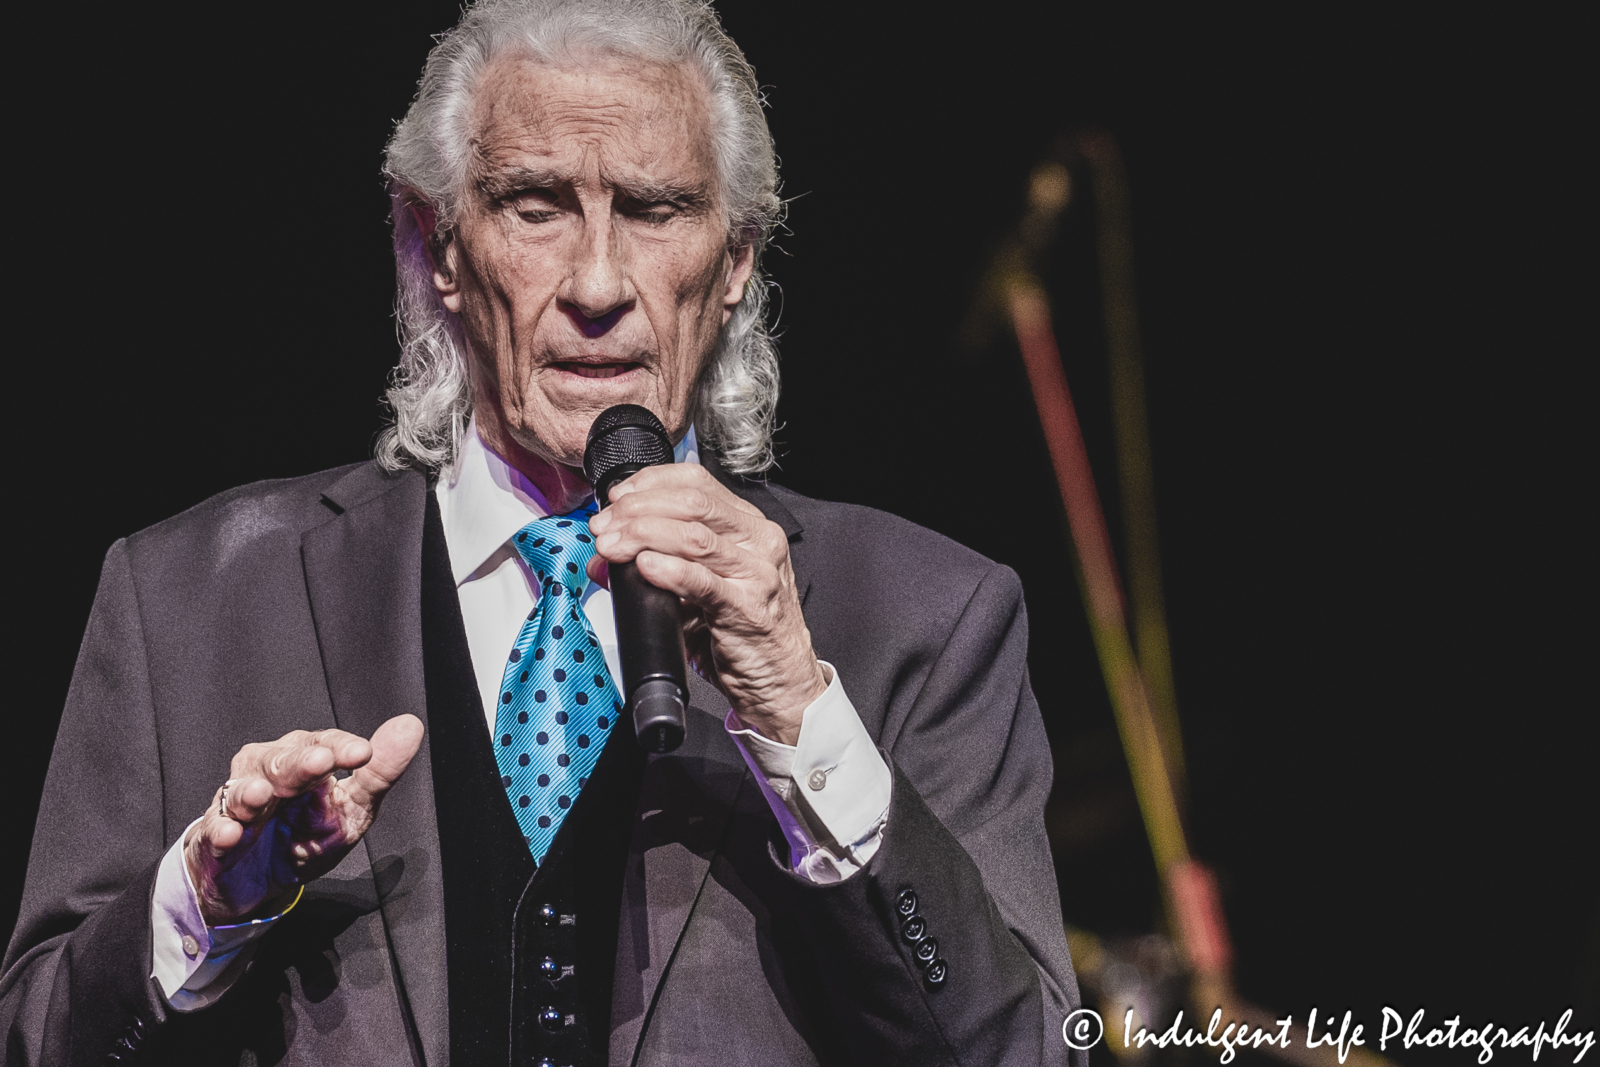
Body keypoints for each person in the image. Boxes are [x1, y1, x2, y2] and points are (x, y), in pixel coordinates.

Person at [1, 0, 1084, 1063]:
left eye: (655, 209)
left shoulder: (931, 617)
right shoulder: (188, 599)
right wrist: (204, 909)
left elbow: (1028, 1048)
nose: (599, 283)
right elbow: (37, 1038)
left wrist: (802, 717)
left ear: (738, 256)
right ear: (438, 244)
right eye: (535, 205)